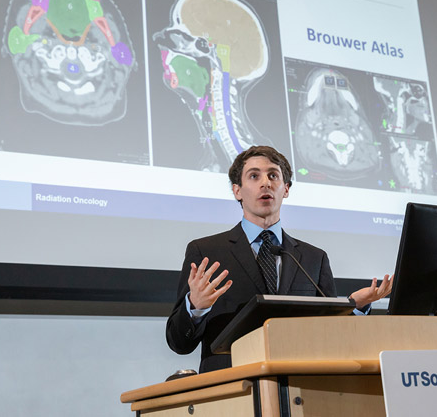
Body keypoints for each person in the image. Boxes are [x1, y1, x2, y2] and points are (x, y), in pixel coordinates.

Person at [166, 146, 392, 373]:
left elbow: (329, 334)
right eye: (254, 176)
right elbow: (179, 343)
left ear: (285, 189)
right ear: (237, 191)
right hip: (232, 389)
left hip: (300, 385)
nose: (265, 183)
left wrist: (355, 306)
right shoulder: (206, 251)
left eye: (273, 175)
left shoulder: (314, 258)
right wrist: (195, 307)